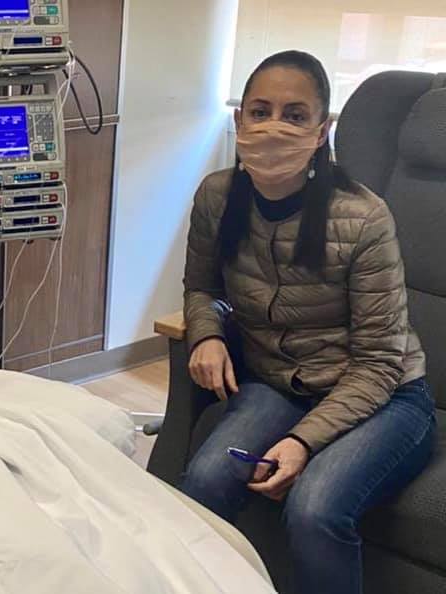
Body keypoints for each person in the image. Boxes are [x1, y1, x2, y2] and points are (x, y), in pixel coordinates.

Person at [180, 50, 436, 594]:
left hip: (386, 397)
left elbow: (380, 363)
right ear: (239, 120)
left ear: (321, 131)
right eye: (260, 112)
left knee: (314, 508)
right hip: (278, 382)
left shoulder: (363, 216)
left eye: (295, 116)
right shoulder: (216, 197)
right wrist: (206, 334)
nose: (274, 127)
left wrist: (302, 440)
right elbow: (202, 288)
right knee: (204, 481)